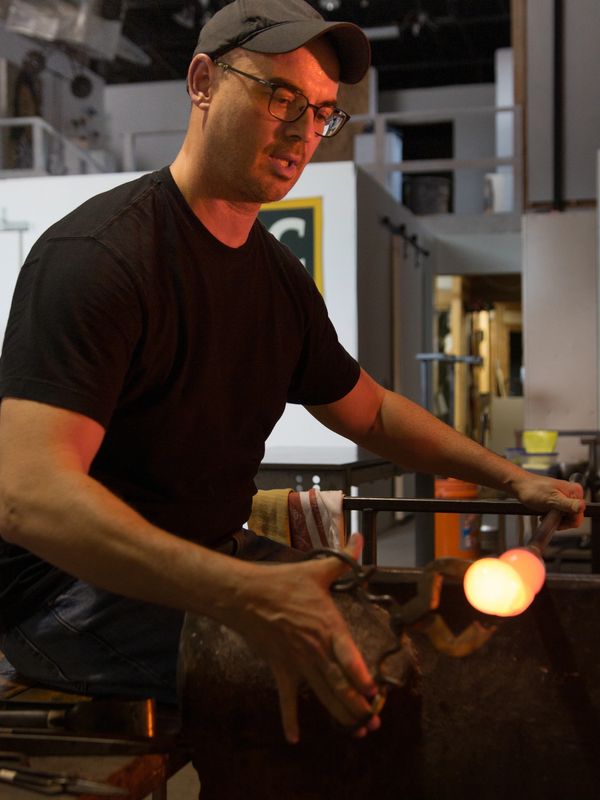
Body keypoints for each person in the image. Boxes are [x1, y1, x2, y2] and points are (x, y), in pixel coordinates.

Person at [0, 0, 584, 746]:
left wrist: (511, 479)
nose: (304, 130)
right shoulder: (100, 257)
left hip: (208, 559)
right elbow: (29, 497)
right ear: (204, 81)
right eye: (281, 96)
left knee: (395, 627)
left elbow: (369, 412)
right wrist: (243, 594)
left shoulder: (275, 276)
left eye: (323, 112)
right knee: (348, 672)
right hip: (68, 596)